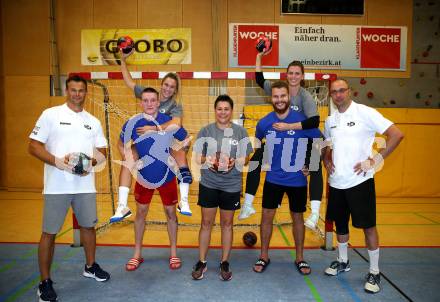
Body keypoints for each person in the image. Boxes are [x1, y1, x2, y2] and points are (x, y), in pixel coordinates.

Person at [29, 75, 110, 302]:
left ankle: (90, 266)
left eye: (81, 90)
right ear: (67, 90)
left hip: (85, 184)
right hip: (57, 186)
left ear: (86, 92)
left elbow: (102, 151)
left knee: (88, 227)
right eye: (73, 90)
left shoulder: (93, 121)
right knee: (49, 233)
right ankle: (45, 282)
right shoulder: (51, 115)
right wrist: (58, 162)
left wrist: (90, 163)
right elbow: (33, 146)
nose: (77, 94)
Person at [322, 79, 404, 293]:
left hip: (360, 181)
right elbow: (328, 145)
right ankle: (343, 261)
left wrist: (375, 160)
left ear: (350, 91)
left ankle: (374, 272)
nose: (338, 95)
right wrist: (326, 159)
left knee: (368, 227)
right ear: (331, 95)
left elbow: (396, 134)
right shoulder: (330, 120)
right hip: (337, 183)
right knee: (340, 225)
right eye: (334, 92)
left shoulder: (365, 112)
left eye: (342, 90)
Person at [239, 50, 323, 232]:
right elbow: (260, 79)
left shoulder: (305, 96)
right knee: (256, 159)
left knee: (315, 164)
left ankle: (315, 213)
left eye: (297, 73)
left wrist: (289, 126)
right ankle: (248, 203)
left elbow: (314, 121)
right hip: (280, 143)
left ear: (302, 76)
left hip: (303, 140)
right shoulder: (279, 90)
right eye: (290, 73)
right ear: (287, 75)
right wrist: (259, 56)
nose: (293, 76)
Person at [110, 50, 192, 223]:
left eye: (172, 87)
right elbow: (129, 82)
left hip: (165, 142)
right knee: (128, 157)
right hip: (144, 144)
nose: (168, 89)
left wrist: (153, 128)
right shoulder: (149, 95)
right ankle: (122, 205)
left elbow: (176, 124)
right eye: (166, 85)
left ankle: (184, 202)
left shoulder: (175, 106)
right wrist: (122, 60)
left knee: (181, 154)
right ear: (161, 85)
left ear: (175, 90)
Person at [252, 81, 321, 275]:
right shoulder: (264, 122)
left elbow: (322, 142)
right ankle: (264, 255)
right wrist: (263, 158)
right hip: (273, 179)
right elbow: (258, 144)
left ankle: (300, 258)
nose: (279, 100)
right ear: (271, 98)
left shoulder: (301, 121)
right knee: (266, 217)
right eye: (276, 96)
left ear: (288, 97)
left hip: (297, 180)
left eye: (283, 96)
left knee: (297, 218)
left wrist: (310, 163)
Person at [119, 87, 188, 271]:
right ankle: (137, 254)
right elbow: (121, 143)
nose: (149, 104)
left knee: (171, 214)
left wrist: (178, 152)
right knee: (141, 213)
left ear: (158, 102)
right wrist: (129, 158)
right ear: (140, 102)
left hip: (167, 176)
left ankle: (173, 253)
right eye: (145, 100)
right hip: (144, 177)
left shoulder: (169, 122)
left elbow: (185, 139)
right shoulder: (132, 123)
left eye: (152, 100)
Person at [191, 95, 253, 281]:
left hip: (231, 184)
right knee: (206, 223)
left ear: (231, 111)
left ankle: (224, 261)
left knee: (227, 224)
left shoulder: (240, 132)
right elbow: (196, 157)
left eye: (226, 109)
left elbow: (247, 157)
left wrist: (237, 161)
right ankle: (202, 262)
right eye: (220, 108)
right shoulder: (206, 130)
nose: (223, 112)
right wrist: (208, 160)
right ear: (215, 110)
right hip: (209, 183)